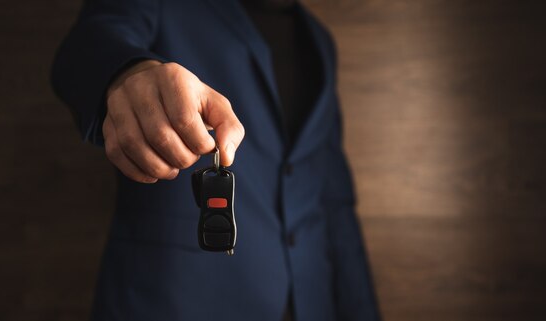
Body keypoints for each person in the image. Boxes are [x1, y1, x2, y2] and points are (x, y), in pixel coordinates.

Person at [51, 0, 380, 320]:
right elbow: (88, 43)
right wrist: (129, 74)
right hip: (177, 299)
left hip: (311, 302)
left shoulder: (320, 42)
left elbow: (334, 202)